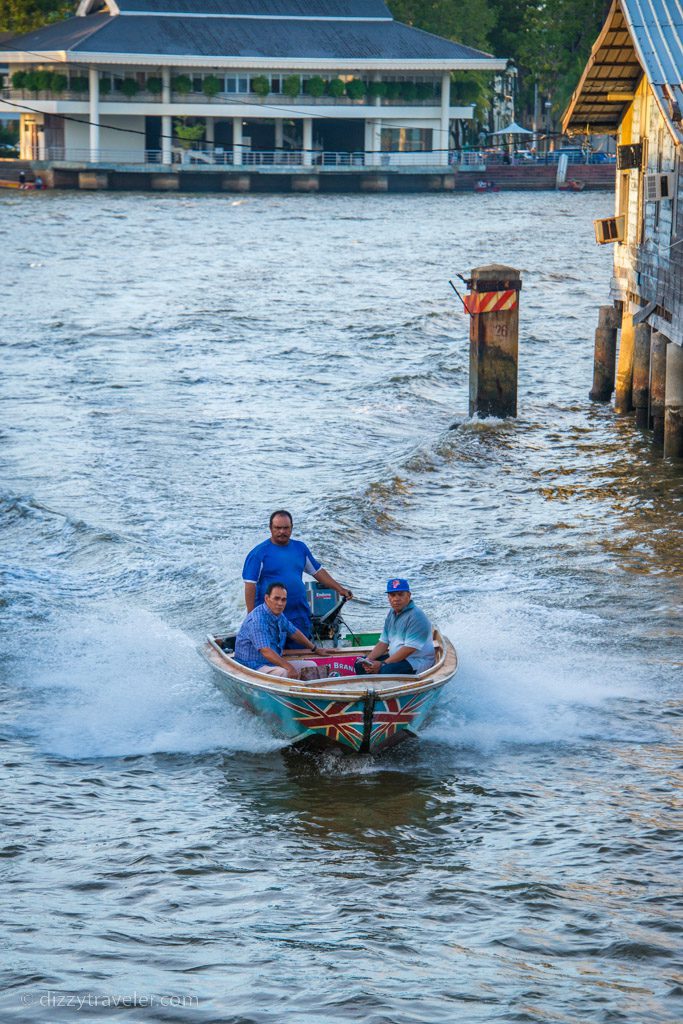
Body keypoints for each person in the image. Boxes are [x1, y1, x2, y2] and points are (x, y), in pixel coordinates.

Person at [242, 510, 353, 639]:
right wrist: (251, 617)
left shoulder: (300, 548)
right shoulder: (258, 554)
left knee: (303, 651)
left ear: (292, 527)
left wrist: (340, 589)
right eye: (278, 528)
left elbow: (318, 572)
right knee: (273, 655)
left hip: (298, 614)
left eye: (286, 528)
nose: (282, 531)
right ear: (270, 528)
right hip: (271, 616)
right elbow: (250, 585)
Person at [234, 581, 325, 680]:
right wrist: (289, 667)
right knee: (284, 673)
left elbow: (294, 632)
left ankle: (309, 694)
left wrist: (314, 648)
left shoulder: (278, 615)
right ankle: (291, 695)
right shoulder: (257, 620)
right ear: (267, 598)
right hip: (252, 666)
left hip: (271, 663)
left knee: (311, 666)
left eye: (283, 600)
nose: (280, 603)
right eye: (276, 598)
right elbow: (266, 651)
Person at [356, 578, 435, 676]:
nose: (396, 599)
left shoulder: (417, 616)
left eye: (401, 594)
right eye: (392, 595)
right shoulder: (392, 613)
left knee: (386, 671)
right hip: (396, 658)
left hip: (416, 661)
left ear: (409, 595)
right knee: (360, 664)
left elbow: (409, 649)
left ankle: (382, 689)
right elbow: (383, 643)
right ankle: (368, 689)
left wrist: (383, 664)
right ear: (388, 597)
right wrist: (368, 660)